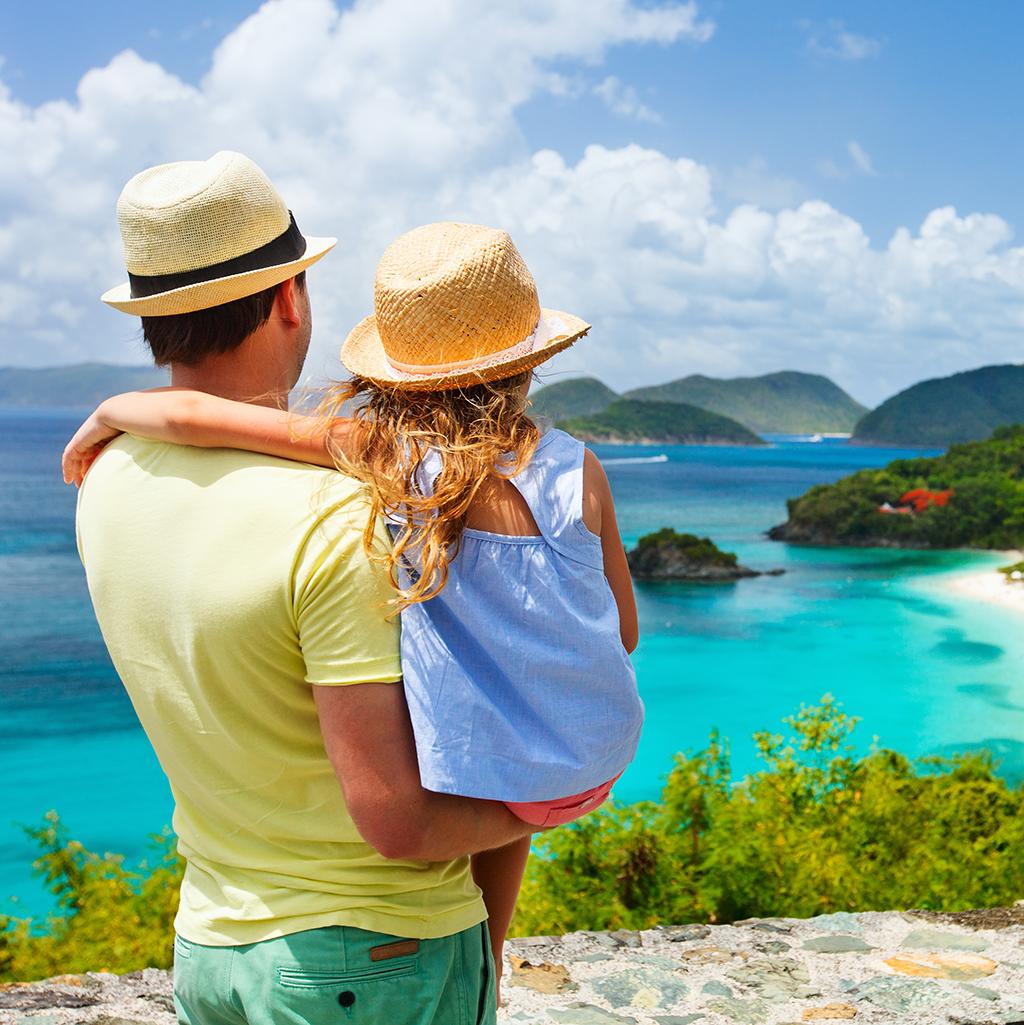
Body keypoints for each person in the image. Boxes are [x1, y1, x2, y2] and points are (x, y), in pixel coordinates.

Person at [65, 220, 645, 984]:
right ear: (527, 361)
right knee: (512, 724)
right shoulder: (578, 467)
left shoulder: (391, 460)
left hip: (488, 798)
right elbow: (623, 633)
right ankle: (488, 964)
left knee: (483, 739)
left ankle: (486, 964)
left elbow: (199, 418)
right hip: (593, 765)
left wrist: (115, 409)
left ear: (390, 370)